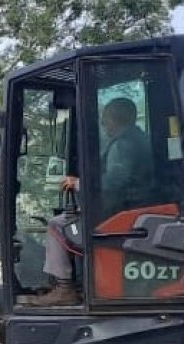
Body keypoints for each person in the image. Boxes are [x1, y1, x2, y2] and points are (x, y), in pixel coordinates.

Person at [31, 96, 153, 307]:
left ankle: (64, 288)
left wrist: (78, 183)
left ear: (114, 119)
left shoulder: (122, 146)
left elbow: (113, 183)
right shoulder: (140, 139)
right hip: (133, 206)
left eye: (105, 119)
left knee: (57, 225)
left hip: (119, 212)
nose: (103, 124)